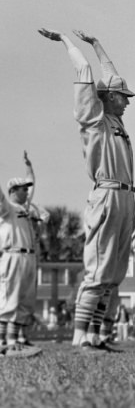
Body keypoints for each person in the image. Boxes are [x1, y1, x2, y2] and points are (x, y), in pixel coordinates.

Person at [39, 29, 135, 352]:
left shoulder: (116, 121)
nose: (126, 102)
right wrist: (67, 41)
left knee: (115, 271)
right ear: (107, 97)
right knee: (99, 267)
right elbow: (86, 74)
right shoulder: (94, 118)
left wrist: (97, 44)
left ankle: (98, 333)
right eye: (123, 97)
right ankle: (81, 335)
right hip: (106, 194)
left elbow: (111, 77)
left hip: (125, 197)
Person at [0, 152, 48, 357]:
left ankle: (14, 342)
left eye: (26, 189)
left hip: (29, 256)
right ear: (12, 190)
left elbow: (32, 183)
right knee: (9, 298)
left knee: (24, 300)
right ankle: (3, 342)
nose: (27, 192)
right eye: (22, 189)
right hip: (13, 255)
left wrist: (29, 167)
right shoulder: (7, 208)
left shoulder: (25, 209)